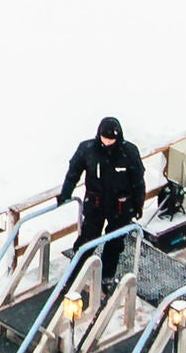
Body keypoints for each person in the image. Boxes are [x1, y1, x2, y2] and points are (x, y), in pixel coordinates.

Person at [60, 116, 146, 285]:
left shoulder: (129, 152)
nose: (107, 142)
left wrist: (138, 204)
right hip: (95, 203)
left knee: (115, 242)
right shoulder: (87, 149)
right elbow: (73, 172)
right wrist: (65, 193)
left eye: (111, 139)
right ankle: (75, 274)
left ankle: (106, 277)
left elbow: (138, 181)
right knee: (87, 239)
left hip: (120, 206)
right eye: (104, 138)